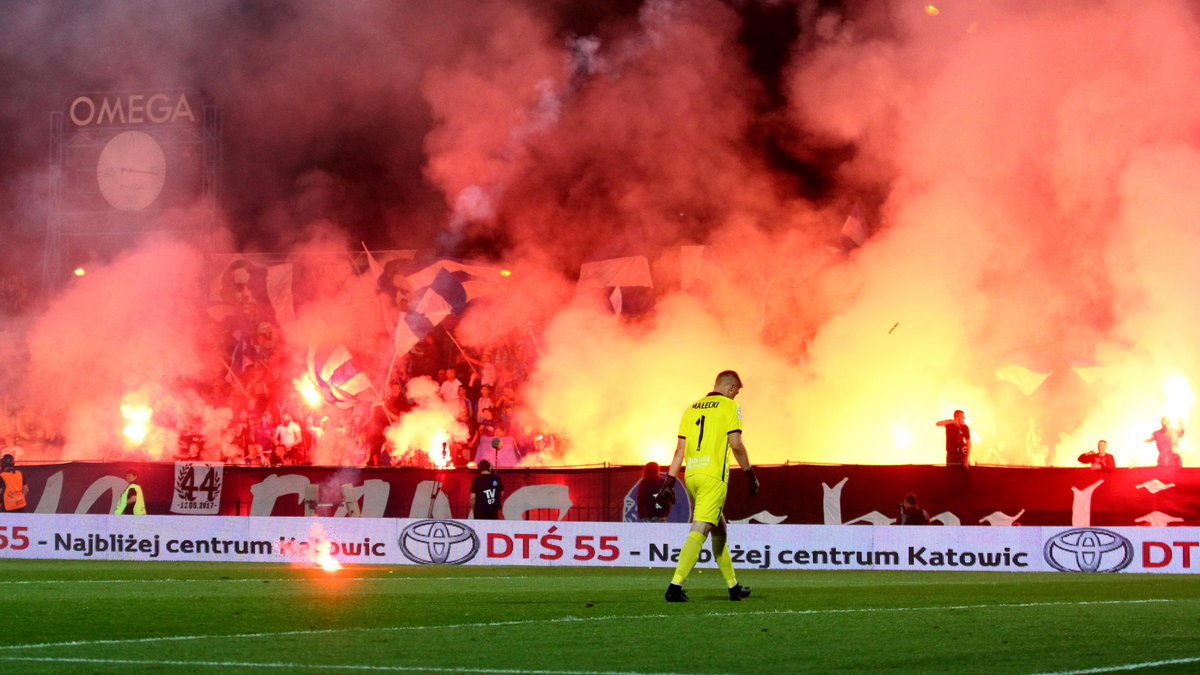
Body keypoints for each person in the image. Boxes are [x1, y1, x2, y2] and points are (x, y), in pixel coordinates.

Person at [659, 370, 757, 603]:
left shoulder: (691, 408)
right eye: (736, 392)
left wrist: (669, 482)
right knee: (700, 529)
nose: (735, 396)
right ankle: (675, 586)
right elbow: (736, 443)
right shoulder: (730, 407)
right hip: (713, 477)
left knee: (720, 529)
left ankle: (733, 588)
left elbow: (679, 451)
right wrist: (749, 473)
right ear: (732, 388)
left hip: (692, 476)